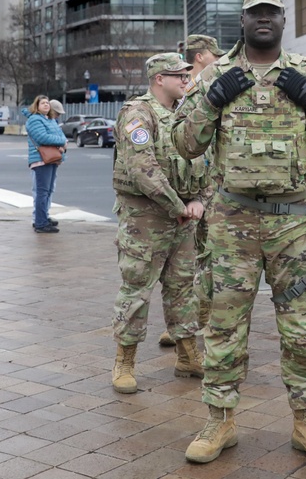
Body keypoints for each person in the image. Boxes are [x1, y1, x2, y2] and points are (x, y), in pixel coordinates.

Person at [172, 0, 306, 467]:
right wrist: (211, 100)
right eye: (256, 13)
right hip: (233, 223)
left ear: (283, 20)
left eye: (272, 12)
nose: (264, 19)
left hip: (292, 224)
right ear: (243, 21)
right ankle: (220, 420)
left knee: (301, 327)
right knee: (225, 324)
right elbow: (185, 144)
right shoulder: (217, 74)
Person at [111, 52, 213, 396]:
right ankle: (125, 360)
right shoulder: (137, 114)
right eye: (180, 77)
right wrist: (178, 206)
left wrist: (201, 200)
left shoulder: (186, 115)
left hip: (183, 219)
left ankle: (187, 355)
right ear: (159, 79)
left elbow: (208, 162)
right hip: (146, 219)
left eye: (187, 76)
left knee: (184, 287)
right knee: (137, 289)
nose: (187, 81)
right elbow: (143, 169)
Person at [158, 34, 225, 349]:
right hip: (181, 186)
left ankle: (203, 319)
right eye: (214, 54)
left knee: (210, 256)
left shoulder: (216, 88)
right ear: (201, 56)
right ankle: (180, 324)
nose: (218, 59)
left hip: (211, 185)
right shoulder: (184, 92)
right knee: (180, 262)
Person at [25, 95, 67, 234]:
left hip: (50, 159)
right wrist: (60, 142)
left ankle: (43, 218)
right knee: (42, 192)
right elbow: (43, 137)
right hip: (40, 159)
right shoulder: (34, 120)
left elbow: (61, 136)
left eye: (47, 103)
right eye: (42, 103)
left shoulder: (48, 120)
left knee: (47, 191)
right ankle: (40, 223)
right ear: (36, 106)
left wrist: (61, 141)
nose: (46, 105)